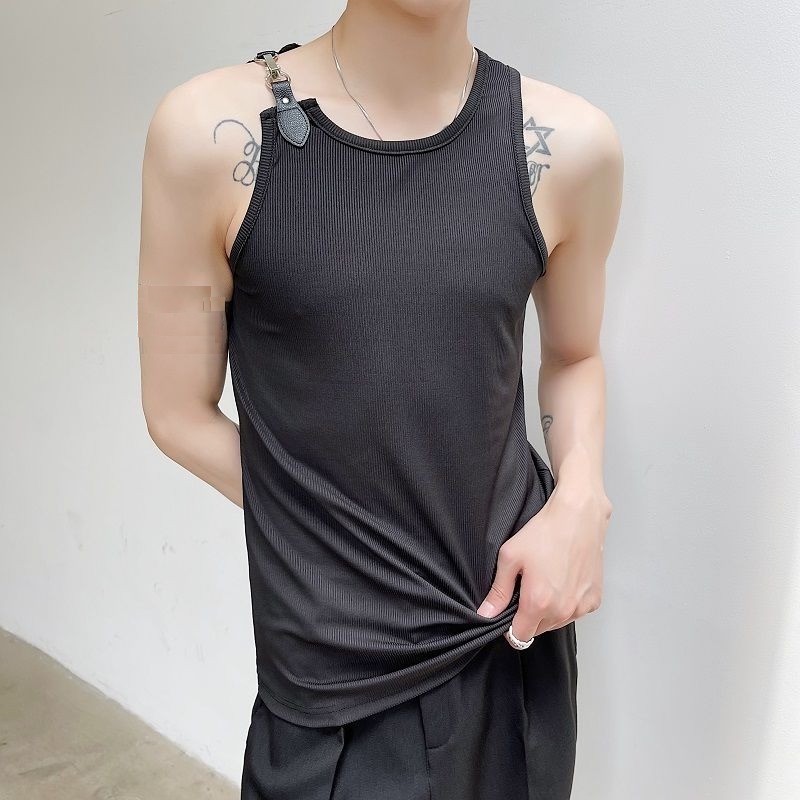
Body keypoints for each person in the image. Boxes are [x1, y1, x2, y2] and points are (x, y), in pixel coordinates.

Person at [138, 1, 622, 797]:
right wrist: (335, 535)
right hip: (334, 664)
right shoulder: (210, 136)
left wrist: (581, 499)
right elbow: (176, 413)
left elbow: (575, 356)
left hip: (507, 631)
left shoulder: (569, 146)